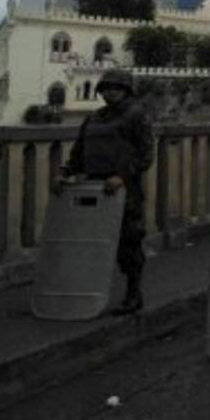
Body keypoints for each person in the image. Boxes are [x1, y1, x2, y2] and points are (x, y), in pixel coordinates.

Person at [55, 69, 154, 315]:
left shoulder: (136, 116)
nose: (111, 92)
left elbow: (145, 154)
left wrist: (122, 176)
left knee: (128, 243)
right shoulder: (94, 119)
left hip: (122, 189)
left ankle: (133, 293)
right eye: (107, 88)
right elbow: (79, 153)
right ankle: (88, 293)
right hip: (93, 187)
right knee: (90, 244)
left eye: (117, 88)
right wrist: (65, 172)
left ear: (126, 91)